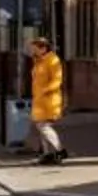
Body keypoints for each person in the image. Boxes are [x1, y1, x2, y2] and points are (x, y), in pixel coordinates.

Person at [25, 35, 67, 165]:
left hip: (49, 100)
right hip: (39, 99)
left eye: (35, 48)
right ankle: (47, 153)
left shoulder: (53, 60)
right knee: (40, 126)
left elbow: (57, 80)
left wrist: (45, 91)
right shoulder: (38, 61)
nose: (33, 51)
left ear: (43, 48)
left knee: (43, 126)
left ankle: (59, 150)